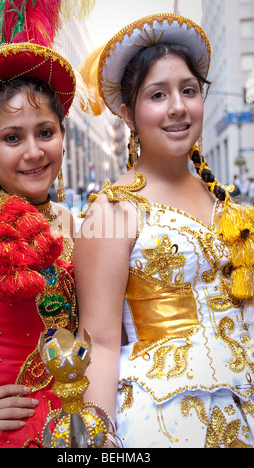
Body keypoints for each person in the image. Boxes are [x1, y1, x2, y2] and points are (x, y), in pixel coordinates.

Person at [74, 13, 254, 448]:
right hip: (163, 421)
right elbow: (97, 342)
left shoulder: (224, 203)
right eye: (158, 94)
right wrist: (99, 442)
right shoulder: (113, 209)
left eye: (188, 91)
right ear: (127, 113)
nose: (177, 106)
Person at [0, 0, 96, 448]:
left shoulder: (68, 221)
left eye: (45, 132)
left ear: (63, 136)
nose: (34, 151)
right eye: (12, 137)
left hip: (71, 433)